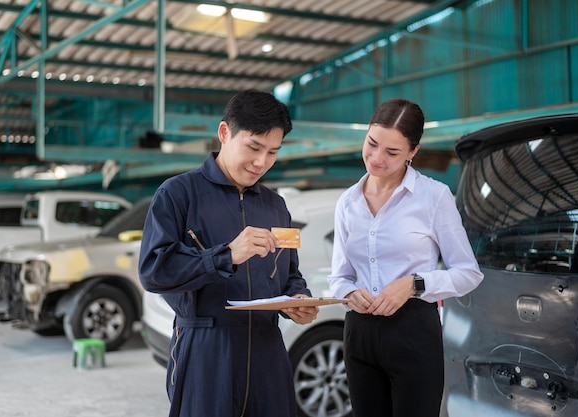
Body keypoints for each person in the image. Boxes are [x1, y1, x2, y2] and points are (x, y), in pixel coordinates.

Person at [138, 89, 319, 417]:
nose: (261, 162)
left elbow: (289, 274)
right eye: (253, 147)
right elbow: (154, 271)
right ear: (224, 133)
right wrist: (225, 256)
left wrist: (298, 298)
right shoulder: (179, 194)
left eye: (273, 152)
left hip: (268, 350)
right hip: (206, 347)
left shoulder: (275, 206)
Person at [327, 98, 484, 417]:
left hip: (412, 331)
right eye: (371, 144)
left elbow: (468, 273)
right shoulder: (348, 202)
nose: (376, 158)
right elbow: (339, 277)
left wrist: (413, 284)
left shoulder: (434, 197)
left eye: (392, 152)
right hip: (358, 332)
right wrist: (348, 294)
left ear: (413, 152)